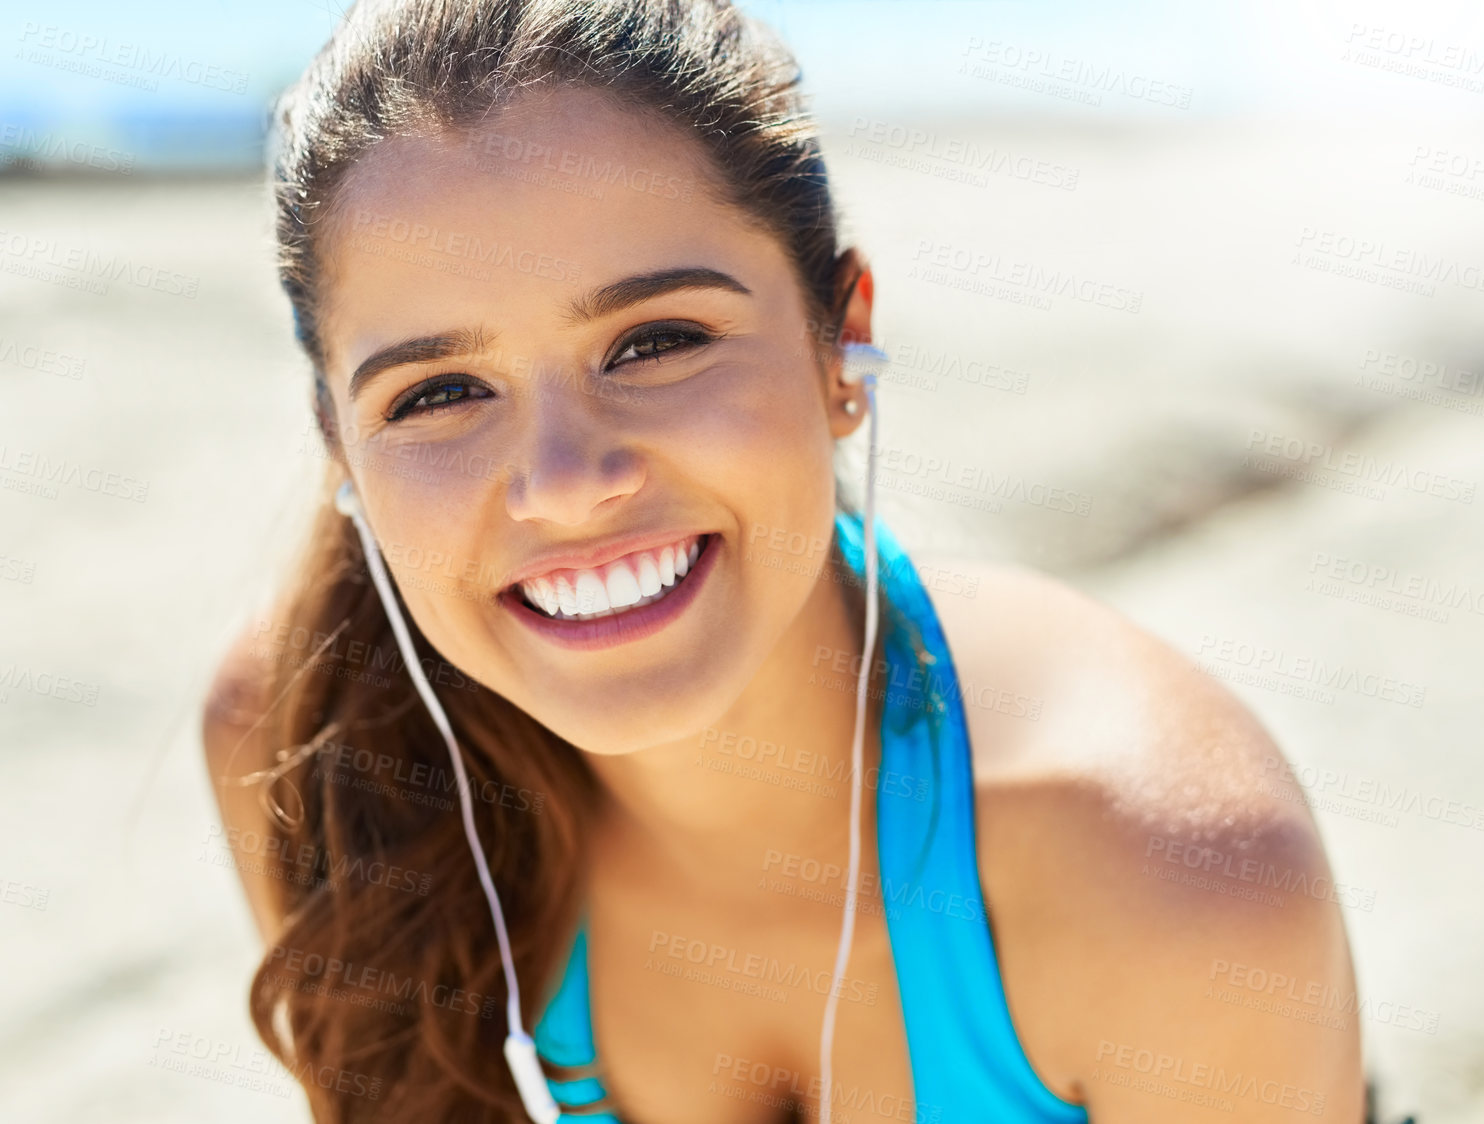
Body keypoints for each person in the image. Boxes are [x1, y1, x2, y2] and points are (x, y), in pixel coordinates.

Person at [202, 1, 1364, 1120]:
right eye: (439, 391)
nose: (563, 479)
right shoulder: (309, 748)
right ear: (340, 445)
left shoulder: (1158, 873)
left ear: (840, 343)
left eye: (655, 341)